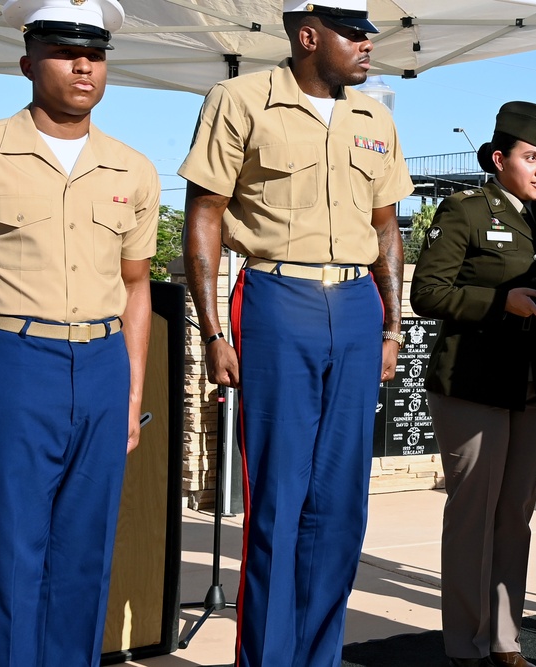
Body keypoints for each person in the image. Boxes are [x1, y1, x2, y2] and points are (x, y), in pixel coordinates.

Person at [178, 1, 413, 665]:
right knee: (278, 501)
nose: (368, 44)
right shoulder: (242, 100)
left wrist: (393, 325)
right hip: (278, 297)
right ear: (308, 35)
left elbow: (388, 227)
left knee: (341, 506)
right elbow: (206, 214)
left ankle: (320, 656)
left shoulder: (376, 116)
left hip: (359, 305)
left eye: (369, 32)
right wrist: (214, 327)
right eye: (353, 32)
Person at [0, 1, 160, 665]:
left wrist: (130, 390)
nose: (84, 65)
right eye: (66, 52)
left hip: (101, 366)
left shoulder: (134, 169)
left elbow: (136, 285)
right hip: (15, 361)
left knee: (86, 552)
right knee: (13, 550)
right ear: (28, 61)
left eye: (94, 53)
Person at [410, 102, 536, 667]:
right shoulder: (465, 210)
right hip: (474, 380)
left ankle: (504, 639)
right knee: (474, 514)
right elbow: (427, 293)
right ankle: (466, 646)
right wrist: (503, 303)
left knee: (514, 515)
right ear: (500, 159)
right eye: (531, 157)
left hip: (534, 384)